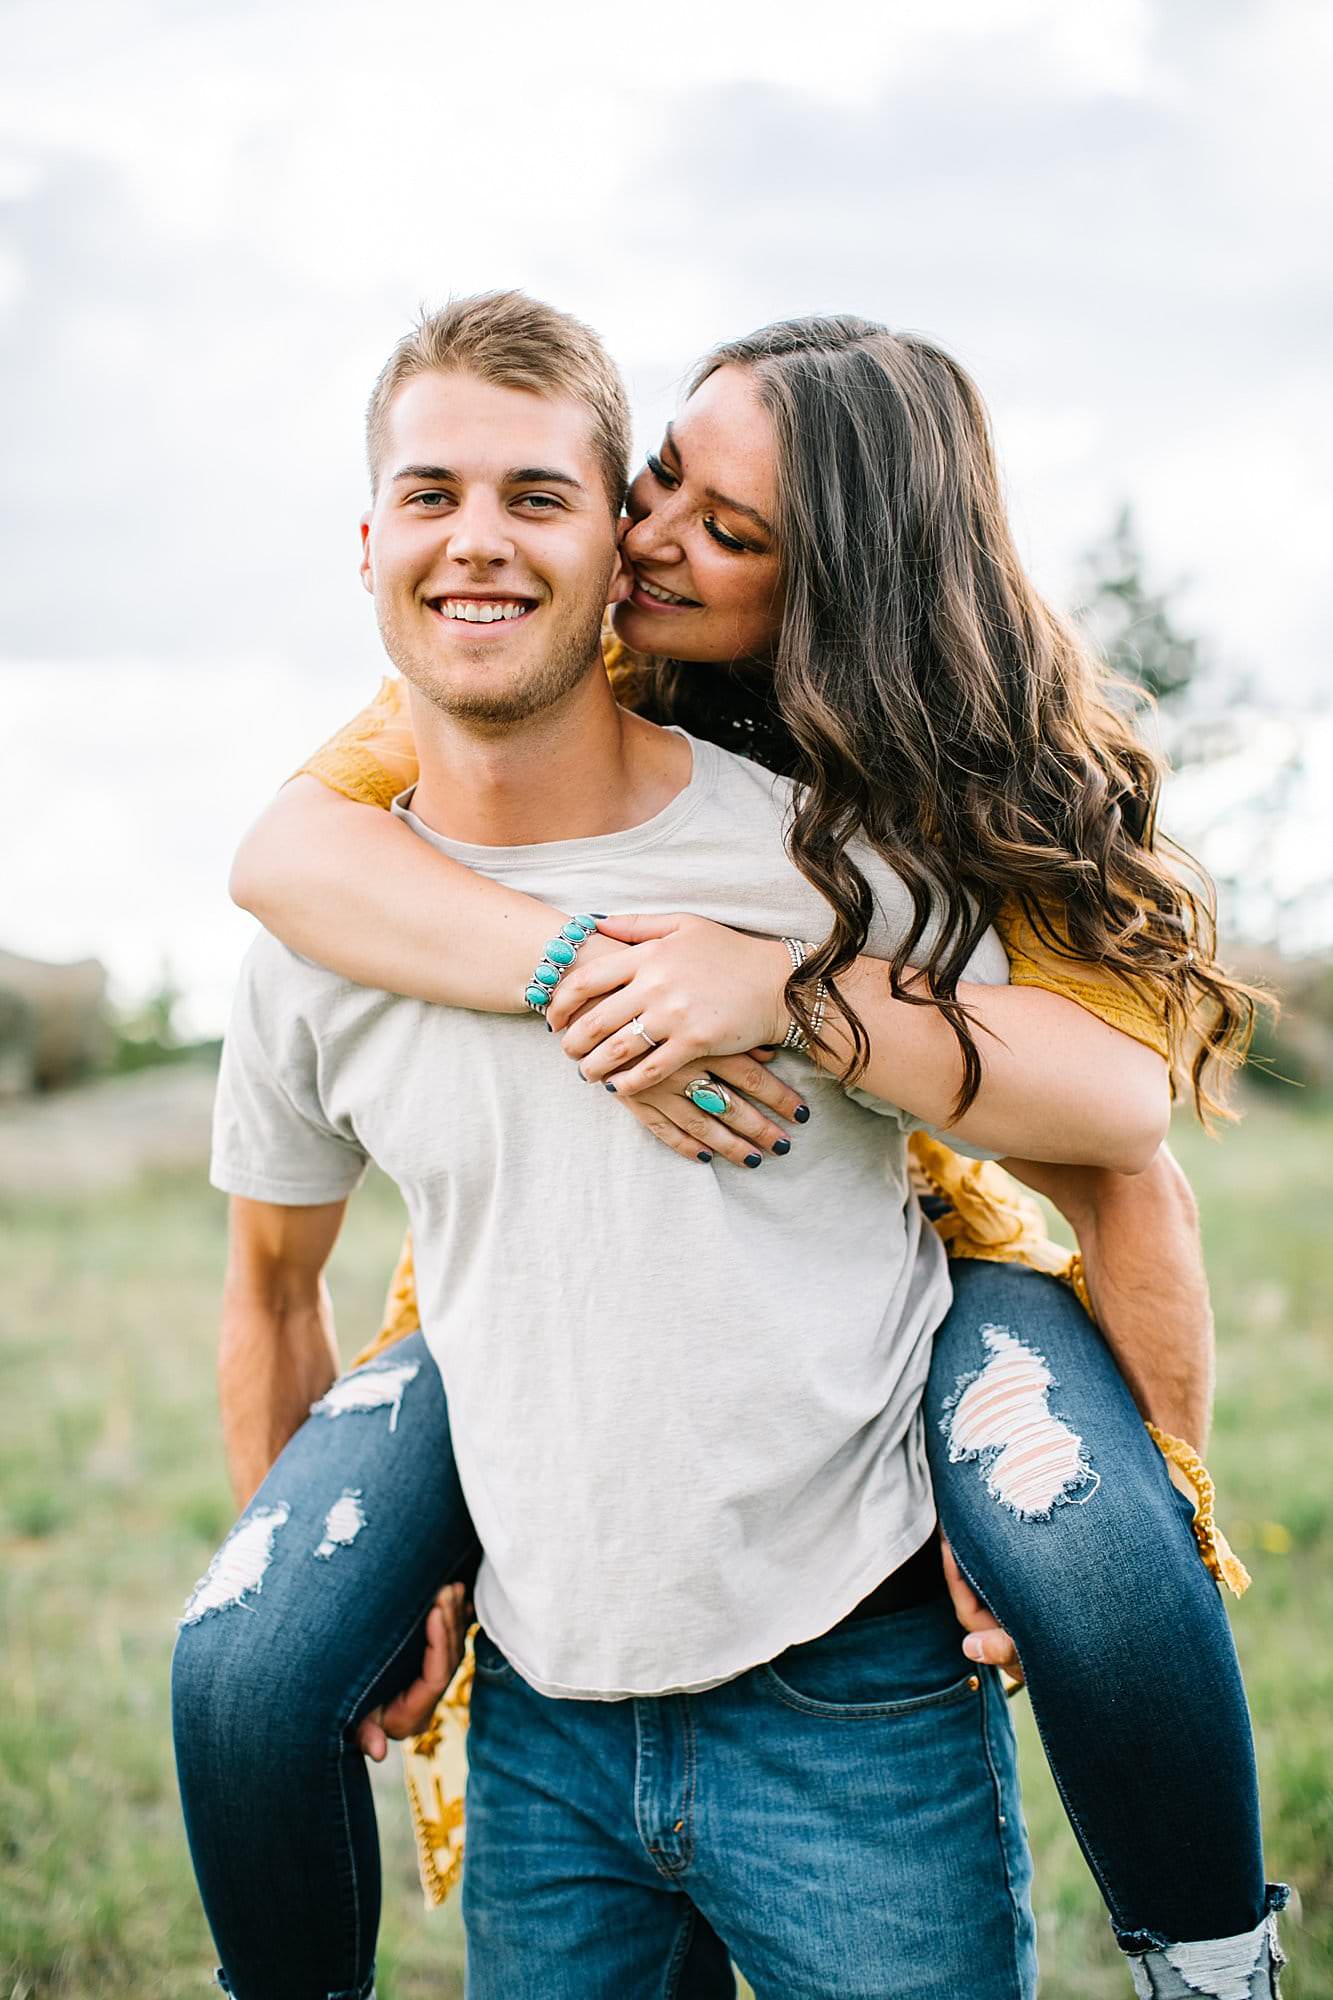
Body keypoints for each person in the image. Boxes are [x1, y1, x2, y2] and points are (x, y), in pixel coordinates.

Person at [171, 293, 1283, 1998]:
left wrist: (779, 989)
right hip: (550, 1685)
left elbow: (1125, 1133)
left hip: (860, 1642)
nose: (648, 546)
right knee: (243, 1664)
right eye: (662, 489)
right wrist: (582, 978)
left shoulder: (869, 844)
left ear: (831, 589)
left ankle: (1219, 1961)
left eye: (723, 526)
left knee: (1098, 1558)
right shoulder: (463, 739)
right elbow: (285, 860)